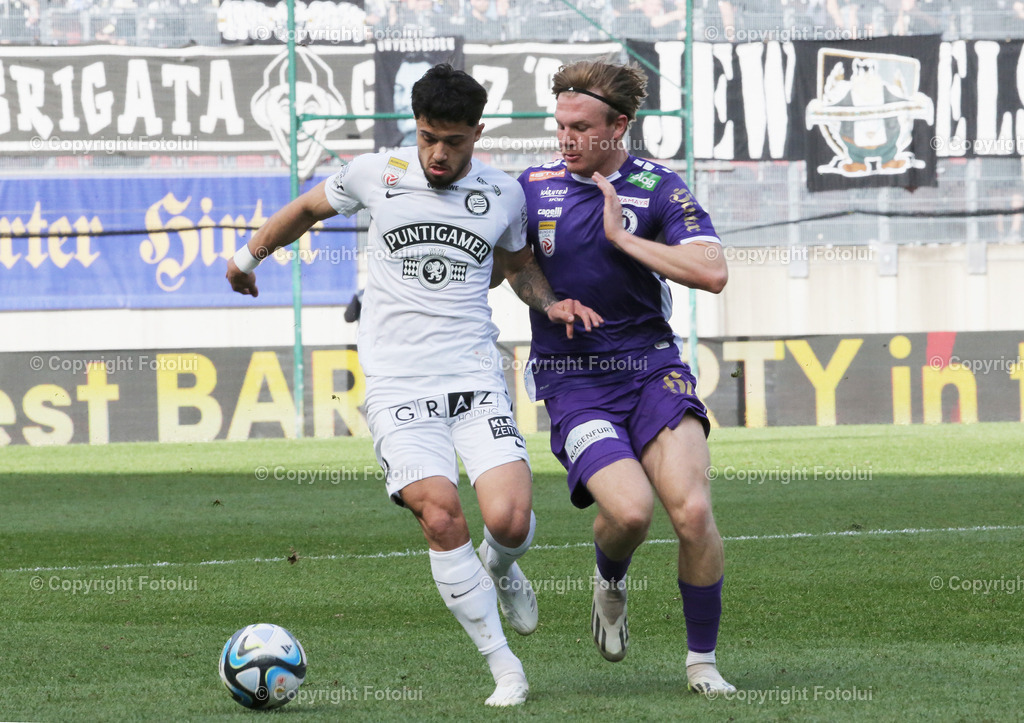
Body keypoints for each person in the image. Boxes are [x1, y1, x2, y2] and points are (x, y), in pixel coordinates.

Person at [226, 63, 600, 707]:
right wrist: (247, 256)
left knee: (509, 520)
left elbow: (517, 266)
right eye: (428, 136)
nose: (438, 153)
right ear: (416, 129)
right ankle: (505, 668)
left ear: (477, 134)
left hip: (474, 376)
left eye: (453, 140)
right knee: (439, 512)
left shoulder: (502, 194)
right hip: (399, 385)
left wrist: (551, 303)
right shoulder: (378, 173)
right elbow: (310, 207)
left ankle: (503, 568)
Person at [517, 59, 734, 696]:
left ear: (620, 125)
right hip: (574, 380)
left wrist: (623, 237)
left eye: (580, 128)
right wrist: (547, 301)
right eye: (559, 126)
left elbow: (712, 270)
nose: (566, 138)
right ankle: (609, 580)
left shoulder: (659, 188)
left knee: (693, 513)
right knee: (633, 514)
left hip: (652, 370)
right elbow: (515, 263)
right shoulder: (531, 187)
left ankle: (702, 664)